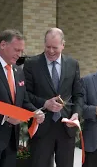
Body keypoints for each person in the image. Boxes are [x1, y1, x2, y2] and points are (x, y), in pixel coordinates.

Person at [0, 29, 45, 167]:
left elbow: (23, 101)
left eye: (21, 51)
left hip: (12, 140)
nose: (19, 54)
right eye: (16, 50)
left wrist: (35, 112)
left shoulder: (18, 71)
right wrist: (4, 117)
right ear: (3, 45)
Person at [23, 28, 84, 167]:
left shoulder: (72, 64)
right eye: (48, 47)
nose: (51, 51)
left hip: (66, 127)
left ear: (63, 45)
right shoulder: (31, 64)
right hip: (42, 126)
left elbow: (78, 94)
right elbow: (25, 94)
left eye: (55, 47)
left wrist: (76, 114)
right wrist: (44, 103)